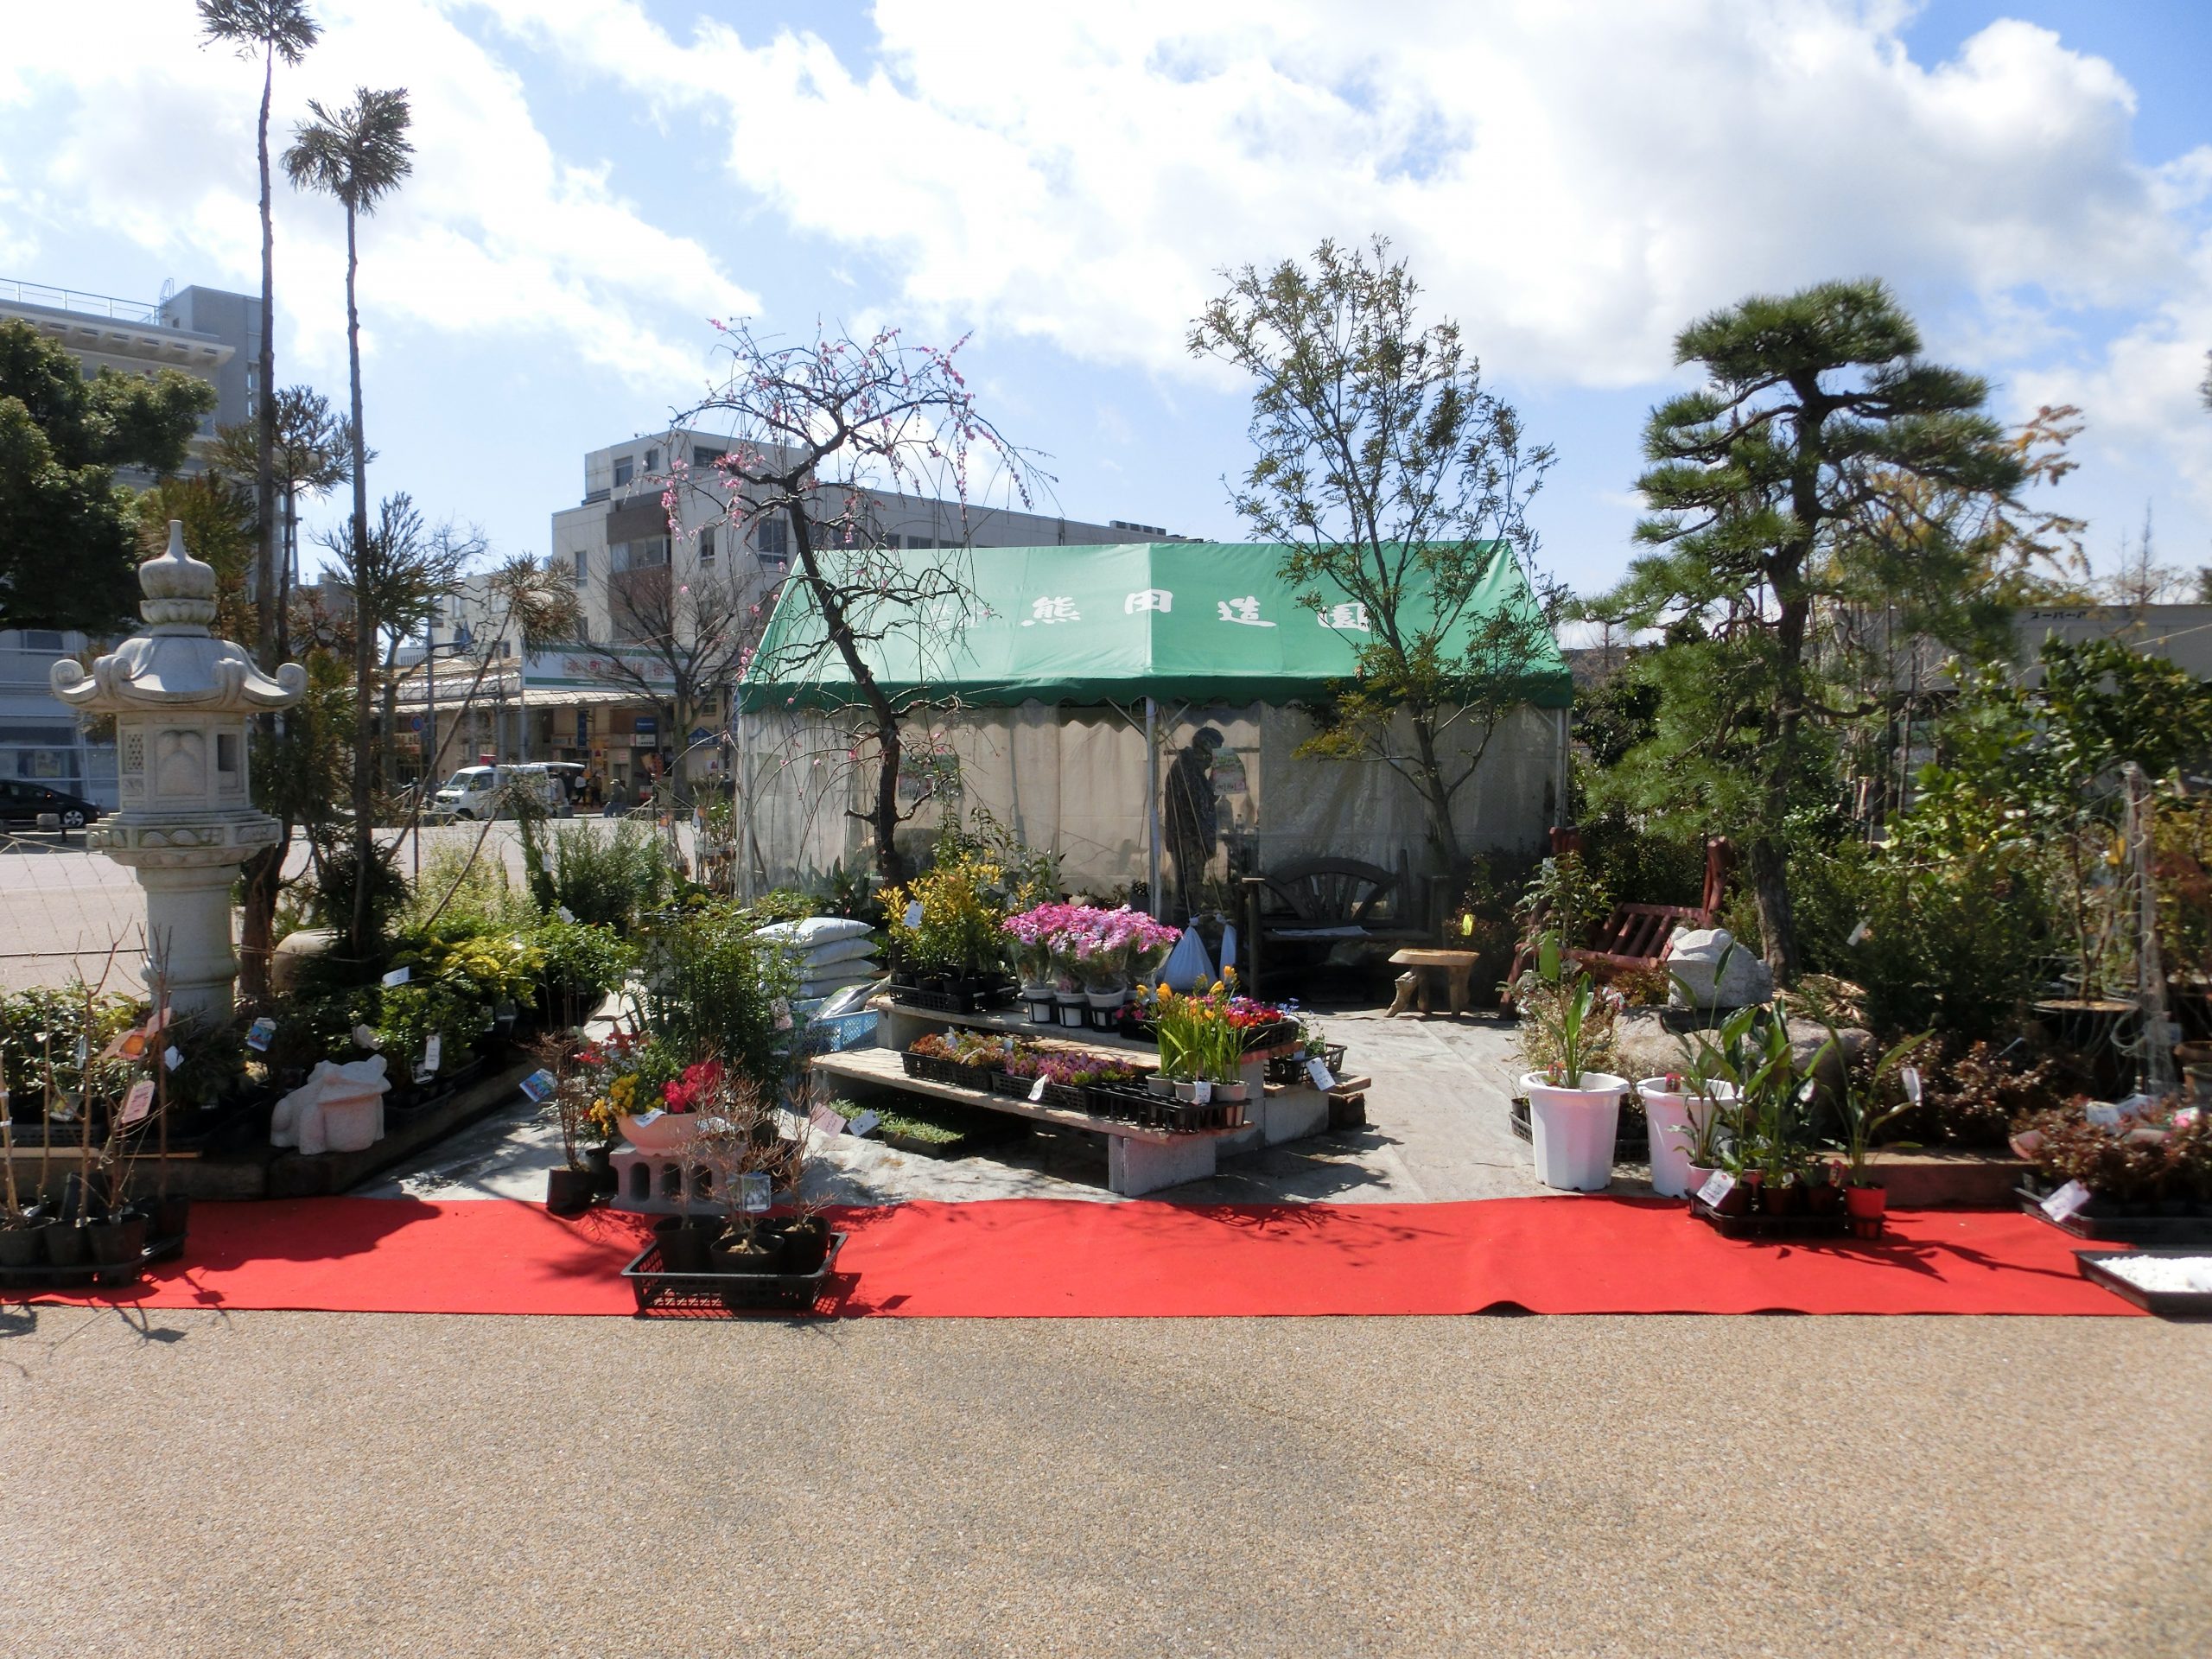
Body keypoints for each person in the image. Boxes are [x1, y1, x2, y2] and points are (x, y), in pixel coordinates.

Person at [1164, 727, 1224, 921]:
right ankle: (1186, 928)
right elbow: (1199, 802)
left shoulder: (1189, 766)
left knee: (1191, 885)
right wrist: (1216, 779)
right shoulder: (1186, 768)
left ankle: (1189, 923)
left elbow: (1203, 799)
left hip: (1190, 837)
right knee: (1188, 887)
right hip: (1188, 838)